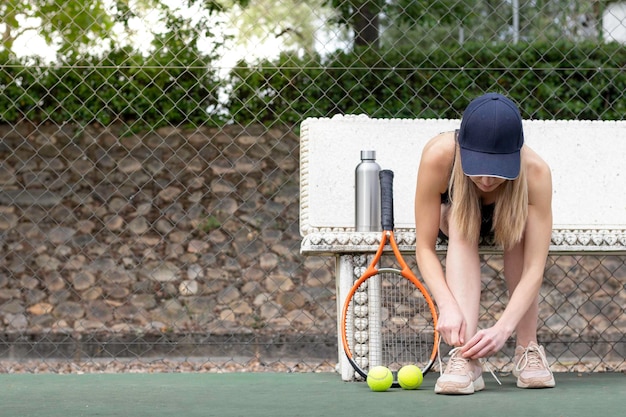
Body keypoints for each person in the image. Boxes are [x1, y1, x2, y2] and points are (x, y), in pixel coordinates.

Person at [413, 92, 555, 395]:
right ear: (462, 148)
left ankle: (527, 349)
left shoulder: (536, 172)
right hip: (456, 221)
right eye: (478, 166)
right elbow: (424, 247)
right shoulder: (438, 156)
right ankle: (465, 358)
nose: (487, 180)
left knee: (521, 233)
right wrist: (447, 306)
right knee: (465, 224)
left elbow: (534, 268)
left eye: (498, 170)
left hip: (511, 222)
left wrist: (502, 328)